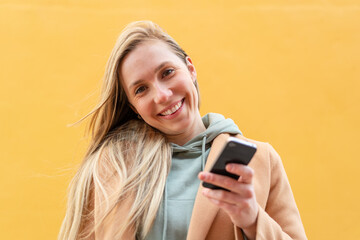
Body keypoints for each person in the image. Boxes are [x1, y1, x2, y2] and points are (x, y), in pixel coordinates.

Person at [59, 20, 307, 240]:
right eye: (141, 89)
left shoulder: (260, 160)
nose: (162, 95)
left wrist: (253, 220)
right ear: (133, 107)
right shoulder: (114, 167)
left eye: (167, 72)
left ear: (190, 68)